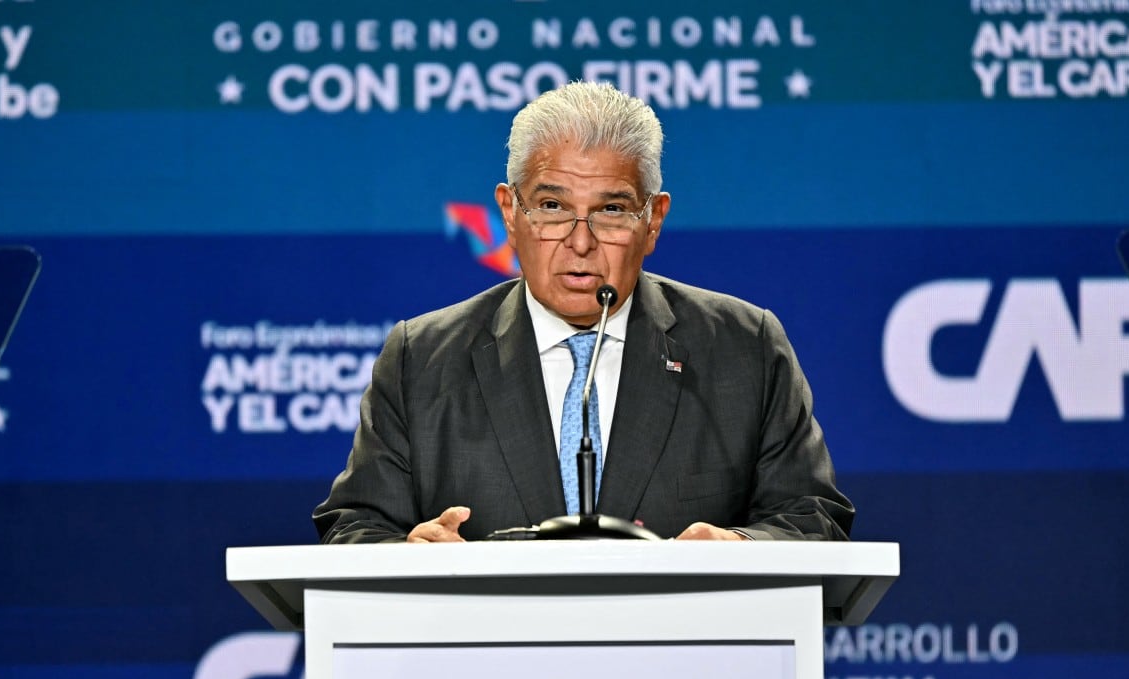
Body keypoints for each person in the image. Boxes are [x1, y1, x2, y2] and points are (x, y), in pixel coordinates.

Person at [314, 81, 853, 544]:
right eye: (552, 208)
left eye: (611, 211)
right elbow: (355, 525)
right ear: (510, 212)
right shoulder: (422, 358)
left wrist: (739, 546)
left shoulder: (743, 348)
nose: (579, 242)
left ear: (653, 220)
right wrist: (409, 553)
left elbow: (813, 517)